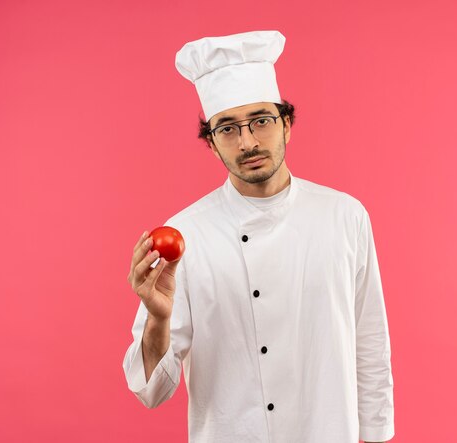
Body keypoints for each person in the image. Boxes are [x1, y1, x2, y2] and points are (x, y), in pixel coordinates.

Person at [123, 30, 394, 443]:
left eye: (261, 121)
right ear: (212, 145)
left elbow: (369, 343)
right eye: (227, 129)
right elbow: (152, 392)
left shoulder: (344, 215)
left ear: (286, 124)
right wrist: (158, 318)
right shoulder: (185, 235)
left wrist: (375, 436)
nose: (247, 141)